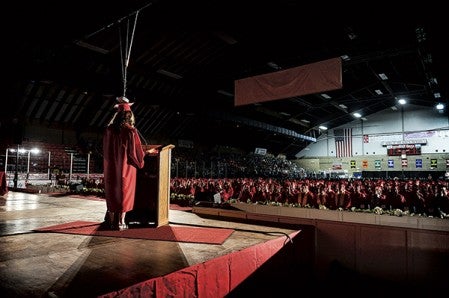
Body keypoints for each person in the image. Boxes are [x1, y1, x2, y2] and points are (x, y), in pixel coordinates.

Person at [102, 97, 156, 230]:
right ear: (129, 116)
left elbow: (105, 149)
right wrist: (147, 153)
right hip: (126, 167)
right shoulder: (131, 131)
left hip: (111, 168)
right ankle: (121, 222)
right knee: (124, 192)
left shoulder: (109, 131)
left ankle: (111, 221)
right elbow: (134, 154)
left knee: (113, 191)